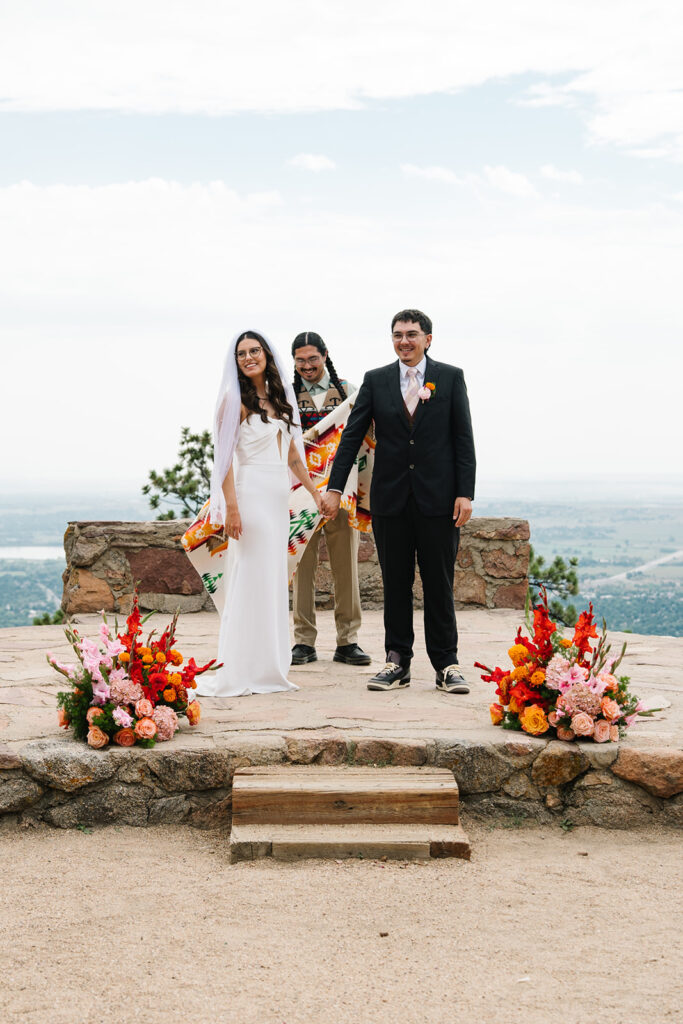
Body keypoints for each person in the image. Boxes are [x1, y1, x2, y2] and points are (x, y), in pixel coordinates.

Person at [323, 309, 476, 693]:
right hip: (390, 500)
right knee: (395, 583)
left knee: (439, 583)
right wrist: (335, 487)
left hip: (439, 501)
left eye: (411, 334)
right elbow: (351, 438)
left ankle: (447, 664)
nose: (403, 341)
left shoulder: (450, 378)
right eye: (397, 335)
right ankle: (397, 662)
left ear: (428, 338)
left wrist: (465, 492)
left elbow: (462, 439)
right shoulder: (376, 381)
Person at [197, 330, 323, 698]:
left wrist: (314, 493)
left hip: (276, 497)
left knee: (271, 579)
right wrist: (232, 509)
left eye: (254, 351)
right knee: (249, 577)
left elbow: (293, 456)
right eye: (242, 354)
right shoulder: (231, 402)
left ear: (266, 354)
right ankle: (237, 668)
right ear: (235, 362)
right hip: (250, 495)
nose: (249, 357)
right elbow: (223, 463)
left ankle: (268, 666)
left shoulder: (281, 398)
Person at [290, 331, 371, 667]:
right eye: (300, 360)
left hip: (341, 492)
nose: (307, 366)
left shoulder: (349, 392)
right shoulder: (287, 397)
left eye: (313, 358)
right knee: (301, 568)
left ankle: (347, 640)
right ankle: (303, 642)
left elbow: (365, 437)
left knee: (345, 567)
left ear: (325, 355)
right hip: (299, 494)